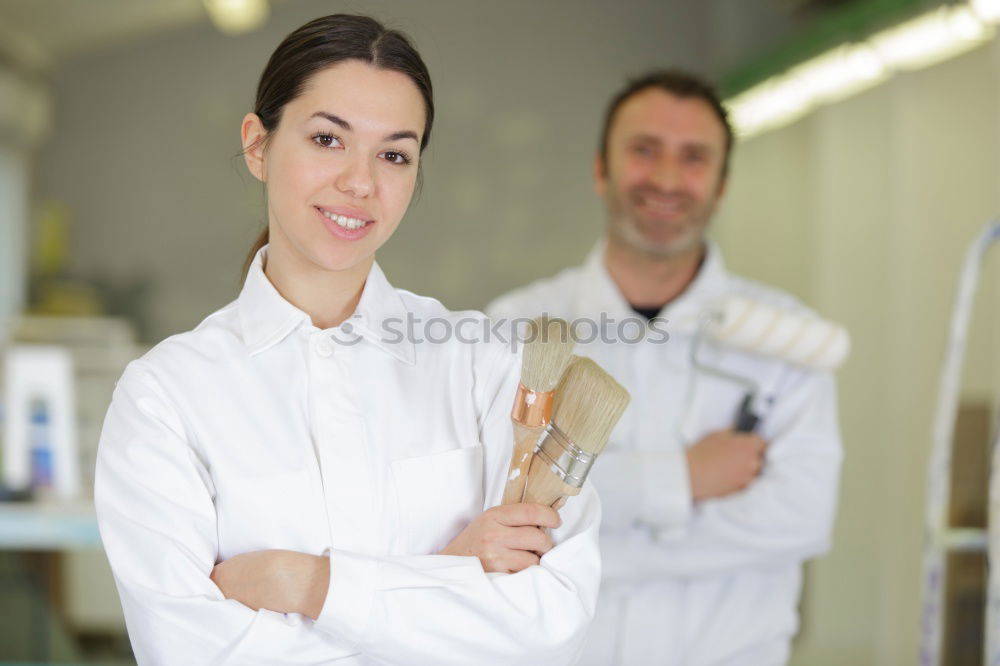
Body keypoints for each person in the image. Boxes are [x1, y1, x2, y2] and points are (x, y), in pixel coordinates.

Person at [94, 14, 600, 666]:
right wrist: (452, 574)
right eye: (328, 139)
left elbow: (551, 624)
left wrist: (304, 583)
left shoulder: (489, 365)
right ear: (258, 146)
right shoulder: (168, 396)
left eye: (394, 154)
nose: (361, 182)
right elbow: (189, 651)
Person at [487, 70, 842, 665]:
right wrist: (684, 479)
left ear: (722, 184)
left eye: (694, 158)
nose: (668, 179)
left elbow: (801, 520)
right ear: (601, 169)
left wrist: (580, 539)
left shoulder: (788, 339)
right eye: (644, 150)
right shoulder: (517, 326)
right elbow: (492, 506)